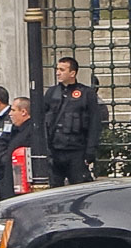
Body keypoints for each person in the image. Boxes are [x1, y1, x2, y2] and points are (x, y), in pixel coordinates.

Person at [44, 57, 102, 187]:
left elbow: (95, 123)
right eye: (57, 69)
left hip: (77, 151)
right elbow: (42, 120)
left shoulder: (86, 93)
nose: (57, 73)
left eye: (62, 70)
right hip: (55, 151)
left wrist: (90, 151)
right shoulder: (51, 93)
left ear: (72, 73)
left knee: (79, 189)